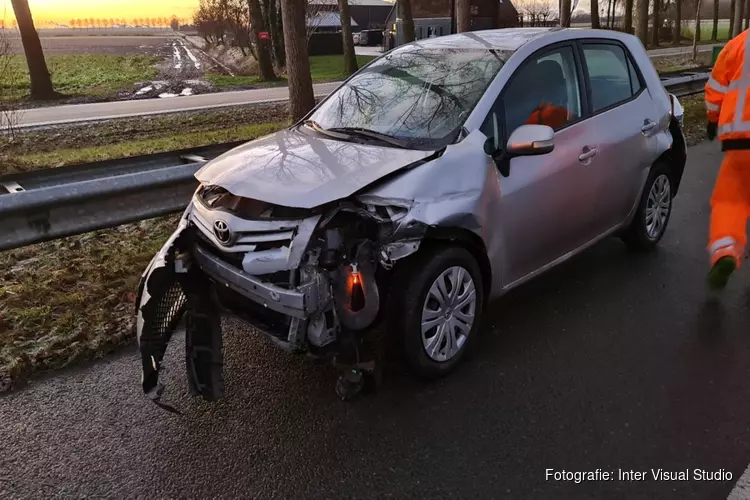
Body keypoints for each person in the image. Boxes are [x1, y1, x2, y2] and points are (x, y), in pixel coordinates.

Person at [705, 29, 750, 290]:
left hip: (739, 140)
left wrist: (713, 120)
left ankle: (724, 252)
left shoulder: (737, 45)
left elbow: (715, 87)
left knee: (729, 199)